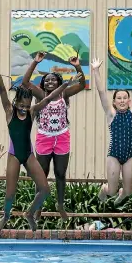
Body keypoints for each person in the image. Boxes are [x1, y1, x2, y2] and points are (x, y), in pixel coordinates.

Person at [0, 48, 82, 231]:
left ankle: (29, 213)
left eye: (26, 106)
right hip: (14, 155)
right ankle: (5, 217)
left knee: (45, 190)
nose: (24, 109)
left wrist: (67, 84)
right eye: (21, 106)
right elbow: (2, 88)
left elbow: (50, 97)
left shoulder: (32, 111)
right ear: (15, 104)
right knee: (10, 195)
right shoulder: (8, 111)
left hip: (28, 155)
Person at [21, 51, 86, 221]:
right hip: (44, 137)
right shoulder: (40, 95)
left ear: (59, 82)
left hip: (62, 137)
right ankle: (38, 208)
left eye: (54, 79)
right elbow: (25, 82)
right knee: (42, 174)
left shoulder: (64, 94)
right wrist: (35, 62)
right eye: (47, 80)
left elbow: (81, 85)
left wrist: (77, 66)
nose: (50, 81)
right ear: (43, 83)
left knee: (60, 173)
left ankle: (60, 205)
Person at [91, 57, 132, 205]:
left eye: (125, 98)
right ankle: (104, 192)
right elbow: (101, 92)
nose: (122, 100)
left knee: (128, 193)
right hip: (114, 154)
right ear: (114, 102)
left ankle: (114, 205)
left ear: (129, 101)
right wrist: (95, 70)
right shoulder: (111, 114)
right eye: (119, 98)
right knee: (111, 191)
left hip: (130, 154)